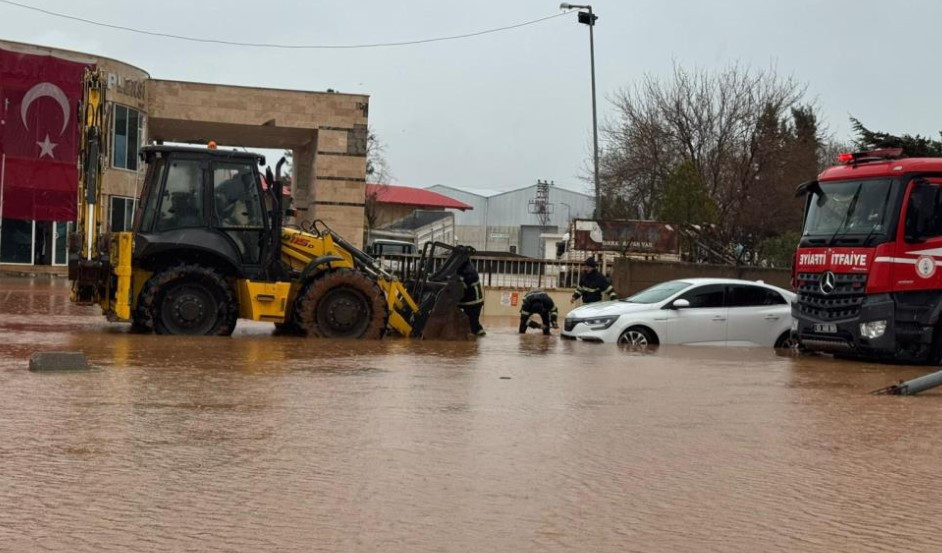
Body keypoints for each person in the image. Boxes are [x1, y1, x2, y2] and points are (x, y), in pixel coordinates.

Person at [457, 261, 486, 336]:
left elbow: (467, 281)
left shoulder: (469, 270)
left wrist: (460, 279)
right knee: (471, 324)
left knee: (473, 325)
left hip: (473, 303)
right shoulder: (460, 267)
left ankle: (475, 342)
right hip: (465, 302)